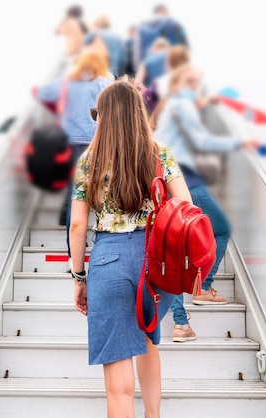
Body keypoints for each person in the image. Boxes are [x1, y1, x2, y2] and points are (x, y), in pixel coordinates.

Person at [69, 79, 193, 417]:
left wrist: (79, 276)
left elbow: (78, 225)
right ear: (138, 113)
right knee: (147, 338)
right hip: (156, 262)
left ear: (104, 116)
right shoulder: (159, 151)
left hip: (109, 262)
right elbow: (186, 205)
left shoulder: (89, 161)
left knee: (118, 386)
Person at [150, 64, 260, 342]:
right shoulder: (183, 105)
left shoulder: (164, 109)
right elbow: (200, 141)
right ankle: (203, 287)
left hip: (166, 185)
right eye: (192, 81)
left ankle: (181, 323)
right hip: (186, 182)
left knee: (175, 251)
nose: (196, 86)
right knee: (222, 228)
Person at [32, 49, 112, 264]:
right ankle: (103, 246)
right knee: (102, 195)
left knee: (74, 197)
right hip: (95, 146)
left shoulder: (66, 84)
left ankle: (72, 255)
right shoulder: (104, 84)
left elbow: (39, 92)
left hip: (67, 144)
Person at [132, 3, 189, 72]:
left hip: (148, 70)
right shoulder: (174, 24)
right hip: (172, 68)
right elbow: (185, 46)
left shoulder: (142, 26)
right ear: (164, 11)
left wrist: (139, 69)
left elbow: (137, 51)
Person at [83, 15, 128, 79]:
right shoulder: (118, 37)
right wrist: (119, 75)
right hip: (112, 75)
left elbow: (83, 53)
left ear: (97, 24)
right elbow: (123, 60)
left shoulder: (93, 34)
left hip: (96, 73)